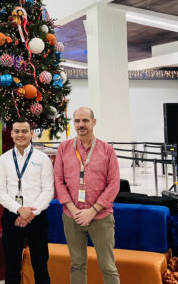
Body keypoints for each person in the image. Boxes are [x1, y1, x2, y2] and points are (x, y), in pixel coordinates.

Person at [54, 107, 120, 284]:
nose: (81, 125)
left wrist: (92, 210)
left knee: (108, 266)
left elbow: (114, 184)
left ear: (94, 122)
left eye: (85, 121)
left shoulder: (107, 150)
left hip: (101, 217)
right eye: (77, 121)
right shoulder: (64, 148)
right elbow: (58, 180)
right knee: (77, 264)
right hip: (71, 216)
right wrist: (73, 209)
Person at [0, 119, 54, 284]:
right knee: (12, 266)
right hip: (12, 217)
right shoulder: (4, 160)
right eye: (17, 131)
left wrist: (31, 213)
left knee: (40, 265)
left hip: (37, 217)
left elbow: (48, 190)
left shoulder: (43, 159)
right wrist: (19, 210)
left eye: (24, 131)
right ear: (12, 133)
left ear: (31, 133)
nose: (20, 135)